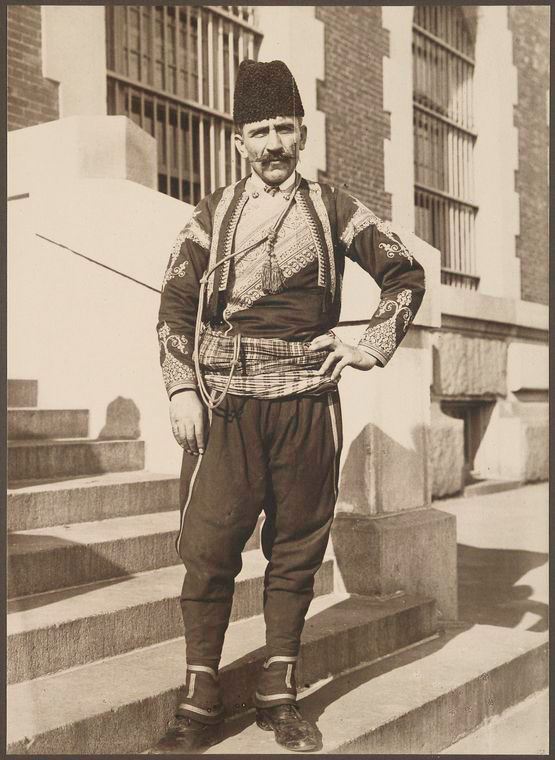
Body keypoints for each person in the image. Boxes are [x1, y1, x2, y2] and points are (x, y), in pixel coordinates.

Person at [155, 59, 426, 753]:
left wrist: (368, 346)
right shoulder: (210, 214)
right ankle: (199, 695)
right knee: (208, 547)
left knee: (297, 548)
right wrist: (181, 389)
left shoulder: (336, 210)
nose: (273, 144)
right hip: (225, 406)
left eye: (284, 128)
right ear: (238, 141)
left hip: (307, 405)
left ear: (303, 132)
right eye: (259, 132)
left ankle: (278, 693)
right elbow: (175, 308)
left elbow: (405, 275)